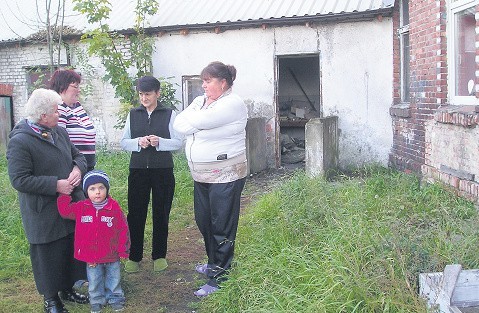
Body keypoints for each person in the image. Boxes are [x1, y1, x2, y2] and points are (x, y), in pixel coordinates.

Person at [6, 88, 89, 313]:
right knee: (48, 254)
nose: (59, 114)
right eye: (55, 111)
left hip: (69, 204)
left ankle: (68, 289)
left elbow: (79, 156)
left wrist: (77, 169)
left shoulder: (59, 132)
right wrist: (55, 185)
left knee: (69, 247)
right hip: (43, 210)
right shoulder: (21, 141)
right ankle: (51, 299)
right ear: (42, 116)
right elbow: (19, 180)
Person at [173, 61, 248, 297]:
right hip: (201, 174)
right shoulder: (200, 101)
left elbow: (196, 123)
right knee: (204, 220)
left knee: (222, 226)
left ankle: (220, 277)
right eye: (203, 81)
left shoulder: (232, 103)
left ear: (223, 83)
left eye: (208, 81)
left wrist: (196, 124)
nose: (203, 85)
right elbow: (178, 124)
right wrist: (196, 124)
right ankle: (213, 262)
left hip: (225, 174)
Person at [120, 75, 183, 273]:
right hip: (138, 170)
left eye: (147, 94)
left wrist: (160, 142)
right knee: (135, 214)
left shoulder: (169, 114)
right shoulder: (133, 114)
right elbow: (123, 142)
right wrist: (138, 142)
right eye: (141, 94)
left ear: (157, 93)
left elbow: (179, 142)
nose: (144, 98)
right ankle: (134, 256)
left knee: (161, 213)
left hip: (163, 170)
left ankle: (159, 255)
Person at [57, 170, 130, 313]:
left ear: (107, 189)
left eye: (101, 188)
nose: (97, 192)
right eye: (92, 189)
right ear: (86, 191)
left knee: (113, 278)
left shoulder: (114, 208)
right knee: (94, 279)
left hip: (111, 254)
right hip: (92, 256)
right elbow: (65, 211)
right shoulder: (81, 208)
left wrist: (123, 248)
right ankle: (96, 300)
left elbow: (123, 229)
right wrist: (64, 193)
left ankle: (115, 298)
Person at [49, 68, 96, 171]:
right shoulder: (59, 108)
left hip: (86, 166)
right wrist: (76, 166)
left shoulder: (77, 107)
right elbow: (59, 143)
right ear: (62, 87)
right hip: (72, 168)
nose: (78, 90)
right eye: (75, 87)